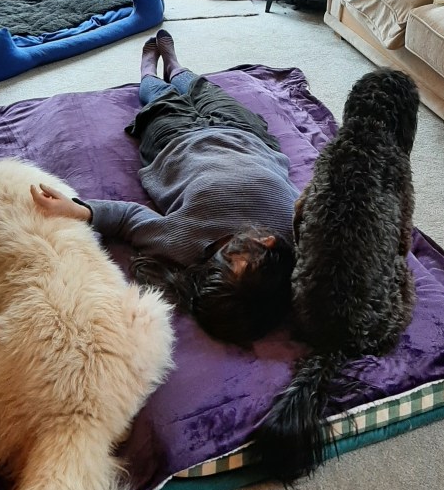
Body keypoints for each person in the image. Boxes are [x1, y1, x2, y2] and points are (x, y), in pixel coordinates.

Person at [31, 30, 297, 345]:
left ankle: (148, 71)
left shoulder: (182, 242)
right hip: (246, 135)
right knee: (201, 88)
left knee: (157, 95)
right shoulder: (293, 236)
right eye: (264, 253)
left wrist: (82, 211)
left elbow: (128, 219)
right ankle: (174, 65)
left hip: (175, 141)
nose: (264, 240)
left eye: (237, 252)